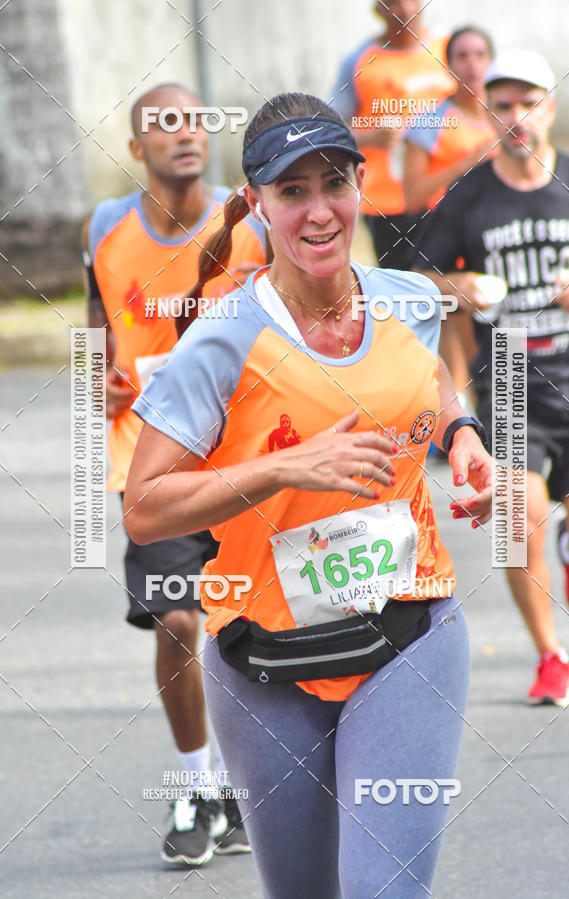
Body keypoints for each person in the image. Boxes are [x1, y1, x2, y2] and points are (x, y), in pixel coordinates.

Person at [124, 91, 493, 898]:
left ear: (362, 184)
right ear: (256, 202)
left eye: (334, 183)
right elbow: (144, 505)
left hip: (410, 631)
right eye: (292, 191)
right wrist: (283, 469)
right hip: (264, 661)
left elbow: (426, 378)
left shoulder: (407, 299)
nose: (319, 211)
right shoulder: (222, 338)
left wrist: (463, 437)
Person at [83, 82, 265, 866]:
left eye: (193, 120)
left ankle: (237, 785)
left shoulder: (252, 221)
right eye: (162, 124)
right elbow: (97, 322)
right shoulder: (105, 228)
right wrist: (101, 377)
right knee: (178, 620)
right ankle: (195, 785)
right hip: (151, 463)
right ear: (138, 149)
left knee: (241, 630)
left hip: (245, 458)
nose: (183, 134)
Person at [415, 49, 569, 706]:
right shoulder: (468, 195)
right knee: (516, 520)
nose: (515, 116)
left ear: (549, 107)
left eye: (528, 103)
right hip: (512, 389)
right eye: (503, 105)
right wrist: (454, 284)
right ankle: (551, 655)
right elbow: (418, 279)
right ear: (487, 112)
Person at [404, 26, 497, 403]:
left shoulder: (506, 115)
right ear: (448, 64)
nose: (472, 65)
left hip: (494, 244)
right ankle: (458, 431)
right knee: (459, 366)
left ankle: (503, 426)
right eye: (462, 56)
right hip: (443, 250)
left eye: (479, 55)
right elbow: (412, 195)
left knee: (498, 356)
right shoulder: (431, 120)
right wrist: (467, 164)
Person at [330, 0, 455, 269]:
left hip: (449, 196)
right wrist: (371, 137)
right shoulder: (360, 61)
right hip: (388, 206)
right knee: (402, 295)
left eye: (411, 1)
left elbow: (482, 112)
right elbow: (329, 131)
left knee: (457, 294)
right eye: (394, 3)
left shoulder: (452, 51)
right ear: (378, 8)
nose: (406, 9)